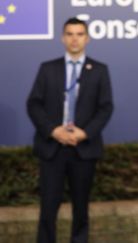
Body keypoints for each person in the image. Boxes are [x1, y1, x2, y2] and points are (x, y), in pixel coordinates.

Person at [27, 17, 114, 243]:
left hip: (83, 149)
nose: (74, 39)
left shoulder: (99, 70)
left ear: (87, 38)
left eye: (79, 34)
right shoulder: (48, 69)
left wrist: (84, 133)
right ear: (62, 38)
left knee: (81, 210)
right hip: (52, 148)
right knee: (47, 209)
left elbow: (106, 107)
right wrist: (54, 130)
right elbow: (34, 104)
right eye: (70, 34)